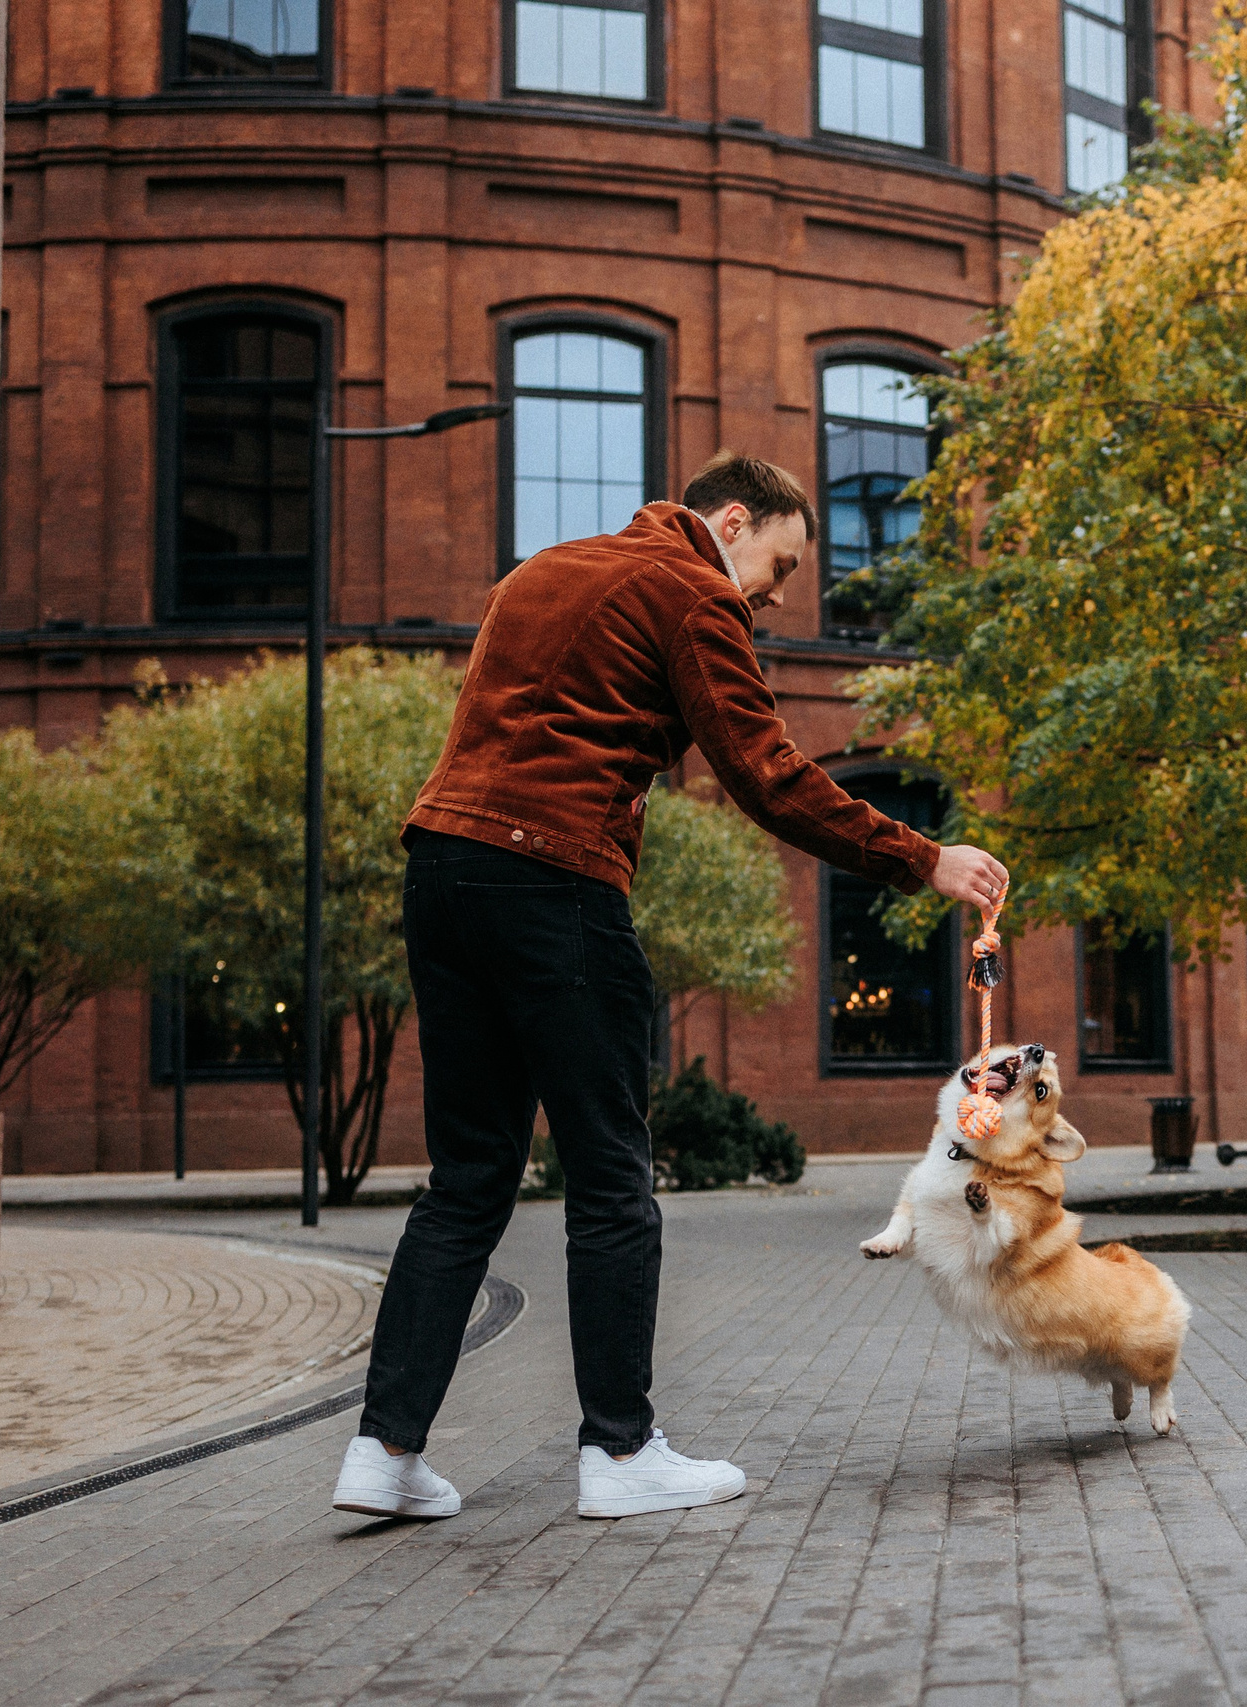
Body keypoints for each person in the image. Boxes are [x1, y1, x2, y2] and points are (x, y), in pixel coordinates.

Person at [332, 452, 1009, 1522]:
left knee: (467, 1179)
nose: (775, 597)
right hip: (555, 880)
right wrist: (922, 856)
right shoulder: (690, 588)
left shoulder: (542, 571)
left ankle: (384, 1452)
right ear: (729, 520)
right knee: (611, 1173)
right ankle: (619, 1452)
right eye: (778, 566)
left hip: (442, 869)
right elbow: (765, 772)